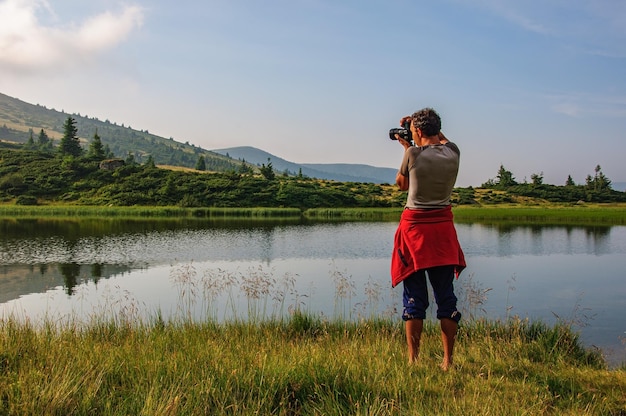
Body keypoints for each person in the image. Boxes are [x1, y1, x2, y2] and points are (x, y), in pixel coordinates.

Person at [390, 107, 466, 370]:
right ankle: (448, 361)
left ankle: (413, 361)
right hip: (443, 231)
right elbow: (441, 140)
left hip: (414, 233)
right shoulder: (454, 152)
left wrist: (406, 145)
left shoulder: (411, 153)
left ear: (418, 132)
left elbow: (402, 185)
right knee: (446, 297)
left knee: (414, 297)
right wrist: (418, 125)